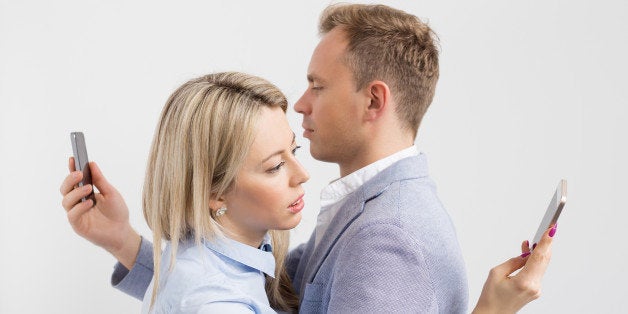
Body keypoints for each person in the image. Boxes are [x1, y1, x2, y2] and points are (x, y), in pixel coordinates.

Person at [60, 3, 555, 313]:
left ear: (374, 101)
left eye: (318, 86)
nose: (300, 103)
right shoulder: (358, 210)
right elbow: (248, 287)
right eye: (275, 164)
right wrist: (122, 240)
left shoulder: (389, 239)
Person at [64, 72, 309, 313]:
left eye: (294, 150)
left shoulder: (205, 253)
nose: (303, 175)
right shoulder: (216, 302)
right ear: (215, 193)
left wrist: (121, 239)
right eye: (275, 166)